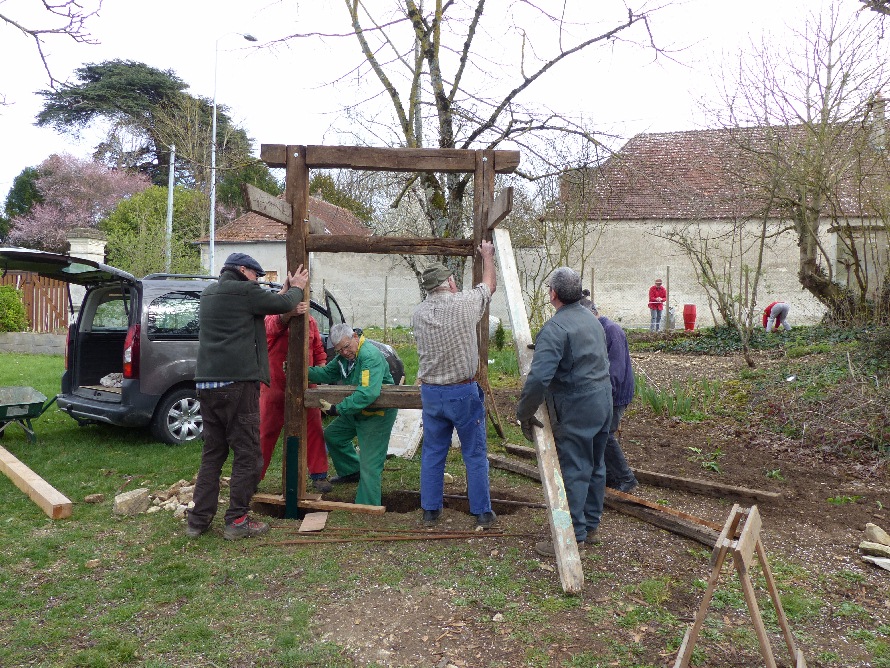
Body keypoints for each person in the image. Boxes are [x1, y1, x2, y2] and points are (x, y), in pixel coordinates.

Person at [187, 253, 308, 541]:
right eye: (257, 275)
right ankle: (237, 520)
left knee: (213, 454)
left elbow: (263, 305)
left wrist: (281, 292)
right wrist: (297, 287)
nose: (258, 280)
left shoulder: (209, 293)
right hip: (237, 385)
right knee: (248, 454)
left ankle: (198, 520)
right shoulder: (245, 291)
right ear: (243, 271)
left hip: (206, 385)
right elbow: (282, 304)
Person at [516, 267, 612, 557]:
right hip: (602, 400)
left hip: (576, 406)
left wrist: (524, 411)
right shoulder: (591, 319)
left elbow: (538, 379)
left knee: (574, 468)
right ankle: (591, 526)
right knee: (595, 464)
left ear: (553, 294)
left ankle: (574, 538)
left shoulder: (556, 328)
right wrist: (548, 348)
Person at [412, 243, 497, 529]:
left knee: (434, 452)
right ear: (449, 282)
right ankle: (482, 512)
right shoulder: (465, 303)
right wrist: (487, 256)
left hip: (432, 393)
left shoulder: (418, 313)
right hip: (462, 392)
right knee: (473, 452)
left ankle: (430, 511)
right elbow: (489, 286)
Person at [308, 323, 397, 507]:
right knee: (333, 435)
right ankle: (351, 471)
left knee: (370, 465)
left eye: (347, 347)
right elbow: (326, 372)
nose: (344, 352)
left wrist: (337, 408)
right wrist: (302, 371)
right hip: (357, 409)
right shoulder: (344, 358)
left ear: (355, 337)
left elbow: (368, 394)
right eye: (340, 350)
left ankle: (367, 506)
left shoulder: (369, 356)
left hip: (376, 413)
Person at [259, 300, 331, 492]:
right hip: (275, 387)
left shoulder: (311, 322)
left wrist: (321, 371)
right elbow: (271, 327)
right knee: (265, 433)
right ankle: (253, 478)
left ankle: (319, 475)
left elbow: (318, 350)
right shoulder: (272, 318)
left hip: (306, 386)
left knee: (314, 428)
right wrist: (287, 314)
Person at [591, 304, 638, 493]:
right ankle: (610, 476)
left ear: (593, 314)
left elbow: (615, 370)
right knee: (600, 435)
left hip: (616, 394)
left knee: (606, 435)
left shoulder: (612, 330)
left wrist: (606, 396)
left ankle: (627, 478)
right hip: (607, 392)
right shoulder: (599, 330)